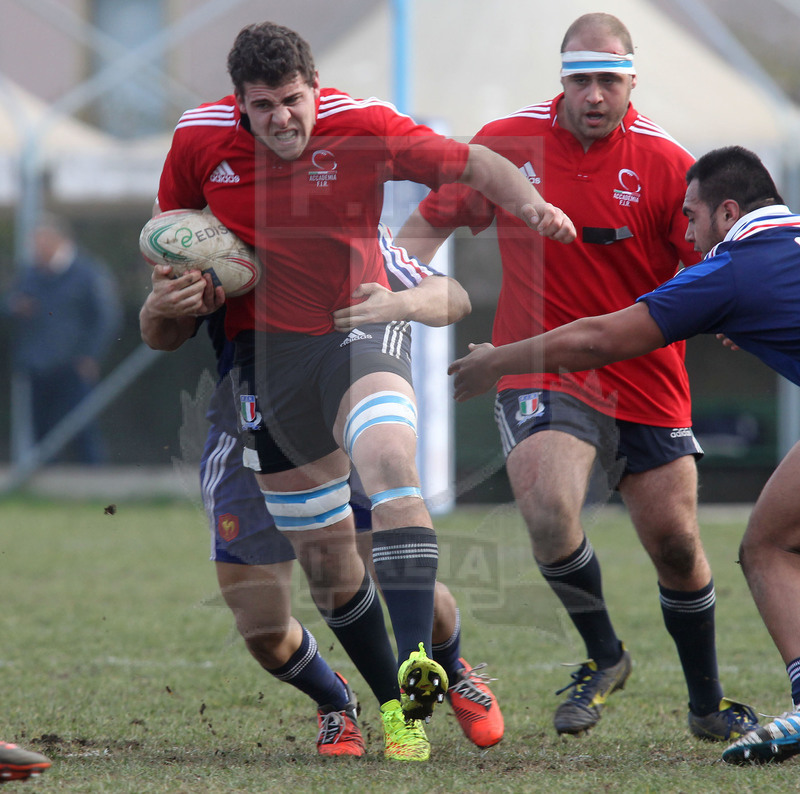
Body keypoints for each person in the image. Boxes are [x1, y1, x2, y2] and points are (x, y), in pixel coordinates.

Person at [152, 21, 573, 760]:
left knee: (388, 465)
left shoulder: (364, 138)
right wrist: (166, 302)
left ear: (316, 90)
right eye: (262, 107)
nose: (281, 118)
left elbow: (468, 193)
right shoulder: (199, 143)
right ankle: (375, 705)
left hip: (355, 332)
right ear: (239, 105)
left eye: (291, 100)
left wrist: (529, 207)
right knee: (313, 575)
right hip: (258, 367)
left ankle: (432, 664)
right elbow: (169, 263)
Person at [397, 12, 757, 741]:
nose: (594, 95)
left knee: (677, 544)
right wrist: (391, 282)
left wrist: (733, 312)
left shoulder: (667, 164)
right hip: (540, 367)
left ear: (632, 81)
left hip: (646, 374)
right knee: (547, 506)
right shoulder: (505, 145)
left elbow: (708, 267)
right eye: (580, 80)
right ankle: (603, 657)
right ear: (560, 80)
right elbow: (428, 222)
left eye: (608, 81)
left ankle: (706, 706)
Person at [446, 145, 800, 765]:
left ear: (727, 211)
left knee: (768, 548)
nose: (686, 232)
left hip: (631, 392)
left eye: (691, 217)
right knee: (767, 542)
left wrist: (496, 361)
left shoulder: (732, 268)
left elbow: (598, 337)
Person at [139, 224, 505, 759]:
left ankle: (447, 669)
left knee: (395, 577)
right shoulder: (216, 237)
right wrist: (161, 303)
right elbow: (160, 334)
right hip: (246, 419)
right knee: (262, 627)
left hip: (333, 412)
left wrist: (396, 303)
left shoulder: (334, 218)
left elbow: (450, 294)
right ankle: (337, 702)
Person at [4, 214, 120, 464]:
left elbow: (106, 318)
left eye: (39, 242)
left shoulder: (88, 272)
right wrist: (15, 306)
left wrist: (90, 355)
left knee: (82, 428)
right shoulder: (31, 274)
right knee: (42, 433)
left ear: (57, 240)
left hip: (73, 367)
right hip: (39, 366)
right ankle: (44, 492)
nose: (35, 249)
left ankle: (97, 487)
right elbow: (9, 303)